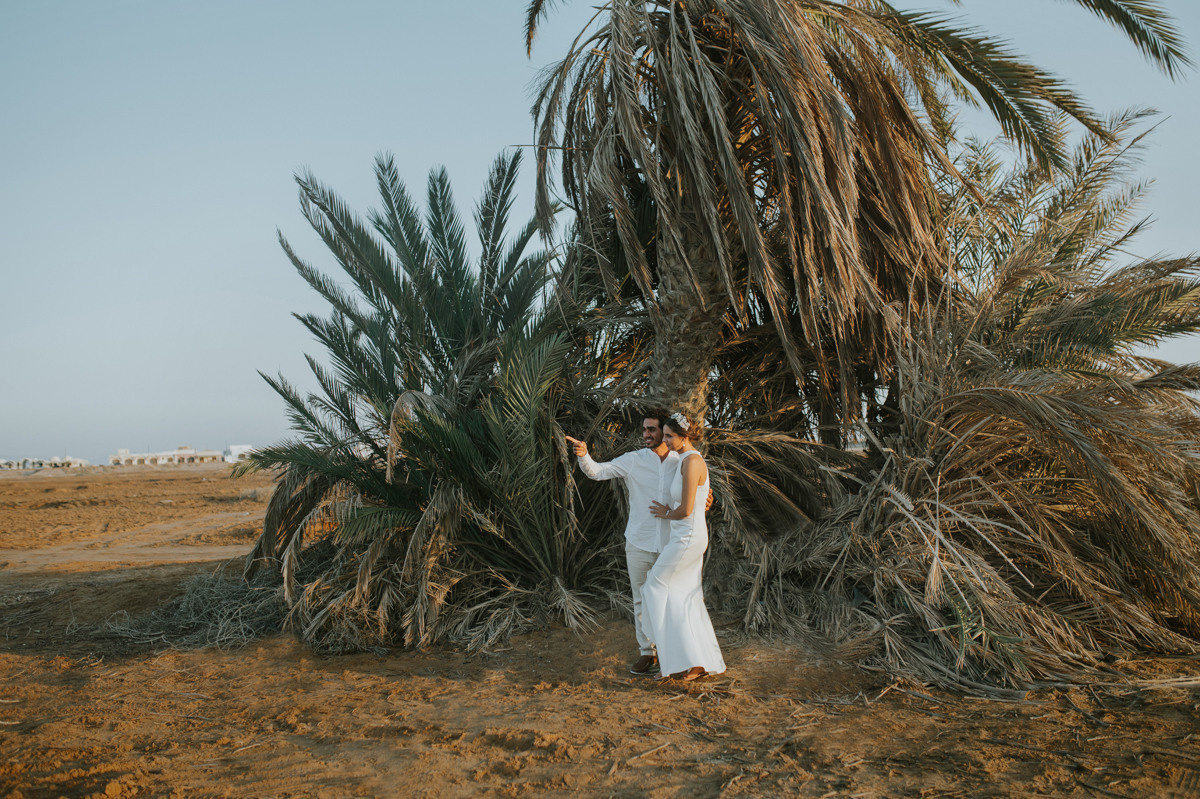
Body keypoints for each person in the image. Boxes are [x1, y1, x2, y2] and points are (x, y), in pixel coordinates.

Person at [564, 411, 679, 676]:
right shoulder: (634, 460)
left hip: (671, 545)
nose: (646, 435)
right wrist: (583, 455)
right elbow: (598, 472)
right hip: (638, 542)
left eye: (652, 430)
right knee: (641, 600)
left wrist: (705, 501)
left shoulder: (680, 462)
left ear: (665, 432)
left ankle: (671, 653)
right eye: (644, 430)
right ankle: (647, 654)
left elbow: (694, 490)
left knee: (670, 601)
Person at [645, 411, 726, 681]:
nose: (664, 440)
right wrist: (672, 511)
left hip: (687, 538)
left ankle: (674, 662)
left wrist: (667, 514)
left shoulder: (691, 462)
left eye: (669, 436)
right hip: (685, 534)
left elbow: (687, 509)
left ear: (684, 436)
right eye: (664, 435)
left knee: (655, 586)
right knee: (685, 597)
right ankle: (694, 662)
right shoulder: (684, 460)